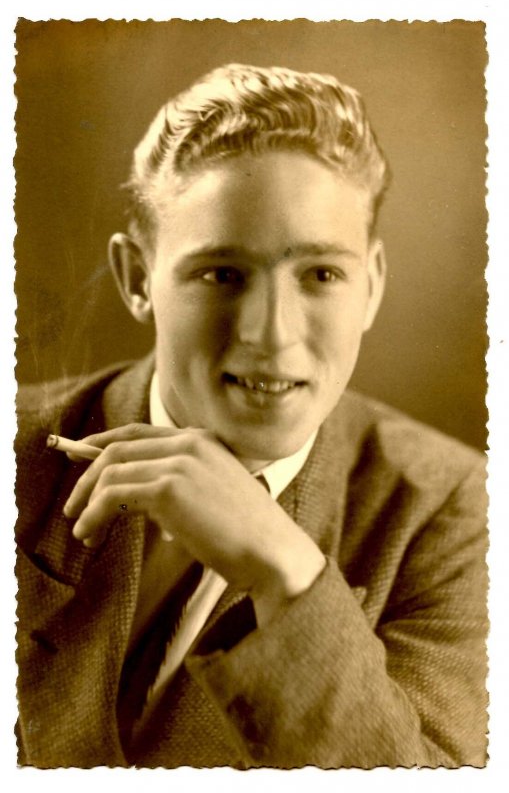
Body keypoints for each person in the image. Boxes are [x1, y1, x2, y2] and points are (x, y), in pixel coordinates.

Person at [15, 63, 488, 769]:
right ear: (138, 279)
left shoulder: (452, 511)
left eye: (320, 275)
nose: (270, 334)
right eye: (221, 274)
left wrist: (287, 575)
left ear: (372, 286)